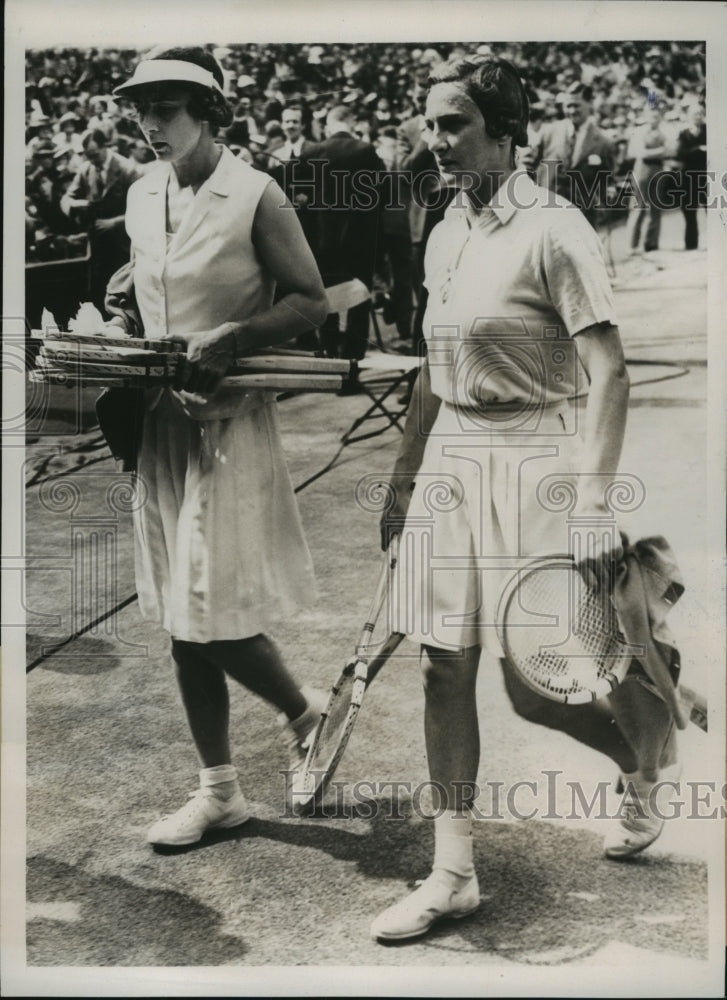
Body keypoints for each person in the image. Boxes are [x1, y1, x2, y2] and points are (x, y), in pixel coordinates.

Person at [371, 55, 677, 944]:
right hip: (452, 460)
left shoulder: (556, 228)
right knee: (440, 664)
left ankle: (642, 758)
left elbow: (609, 368)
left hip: (534, 452)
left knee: (535, 689)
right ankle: (452, 872)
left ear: (506, 134)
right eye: (429, 124)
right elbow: (434, 368)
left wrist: (591, 500)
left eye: (453, 125)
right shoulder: (442, 229)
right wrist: (403, 474)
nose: (436, 140)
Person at [109, 46, 329, 847]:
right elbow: (153, 278)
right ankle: (220, 793)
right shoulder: (141, 194)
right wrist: (127, 301)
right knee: (178, 616)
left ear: (208, 113)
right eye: (139, 110)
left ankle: (308, 717)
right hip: (160, 424)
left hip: (228, 424)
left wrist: (234, 337)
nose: (149, 124)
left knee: (214, 617)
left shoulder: (256, 194)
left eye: (164, 110)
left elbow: (310, 299)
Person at [296, 103, 386, 360]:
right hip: (361, 239)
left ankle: (331, 356)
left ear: (329, 124)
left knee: (328, 300)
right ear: (351, 122)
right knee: (360, 302)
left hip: (323, 240)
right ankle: (352, 364)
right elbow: (383, 195)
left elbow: (295, 192)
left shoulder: (312, 151)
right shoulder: (366, 150)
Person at [60, 128, 143, 314]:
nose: (92, 160)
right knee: (97, 293)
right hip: (97, 246)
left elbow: (143, 210)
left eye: (95, 155)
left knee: (124, 296)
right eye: (88, 156)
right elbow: (65, 200)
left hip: (123, 245)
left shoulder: (128, 169)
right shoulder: (86, 169)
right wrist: (75, 204)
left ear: (105, 147)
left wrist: (114, 223)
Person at [625, 102, 673, 254]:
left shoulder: (664, 132)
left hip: (657, 170)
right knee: (638, 208)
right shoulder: (639, 132)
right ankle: (632, 245)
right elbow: (641, 153)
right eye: (651, 116)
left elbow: (671, 150)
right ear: (646, 116)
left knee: (656, 208)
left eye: (657, 116)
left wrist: (662, 151)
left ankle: (651, 244)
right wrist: (661, 150)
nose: (654, 119)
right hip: (642, 170)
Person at [677, 100, 707, 251]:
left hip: (707, 177)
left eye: (701, 113)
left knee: (712, 210)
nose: (698, 116)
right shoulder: (684, 134)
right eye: (695, 114)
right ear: (689, 116)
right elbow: (680, 154)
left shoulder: (709, 131)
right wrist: (698, 149)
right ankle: (691, 244)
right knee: (689, 211)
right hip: (688, 178)